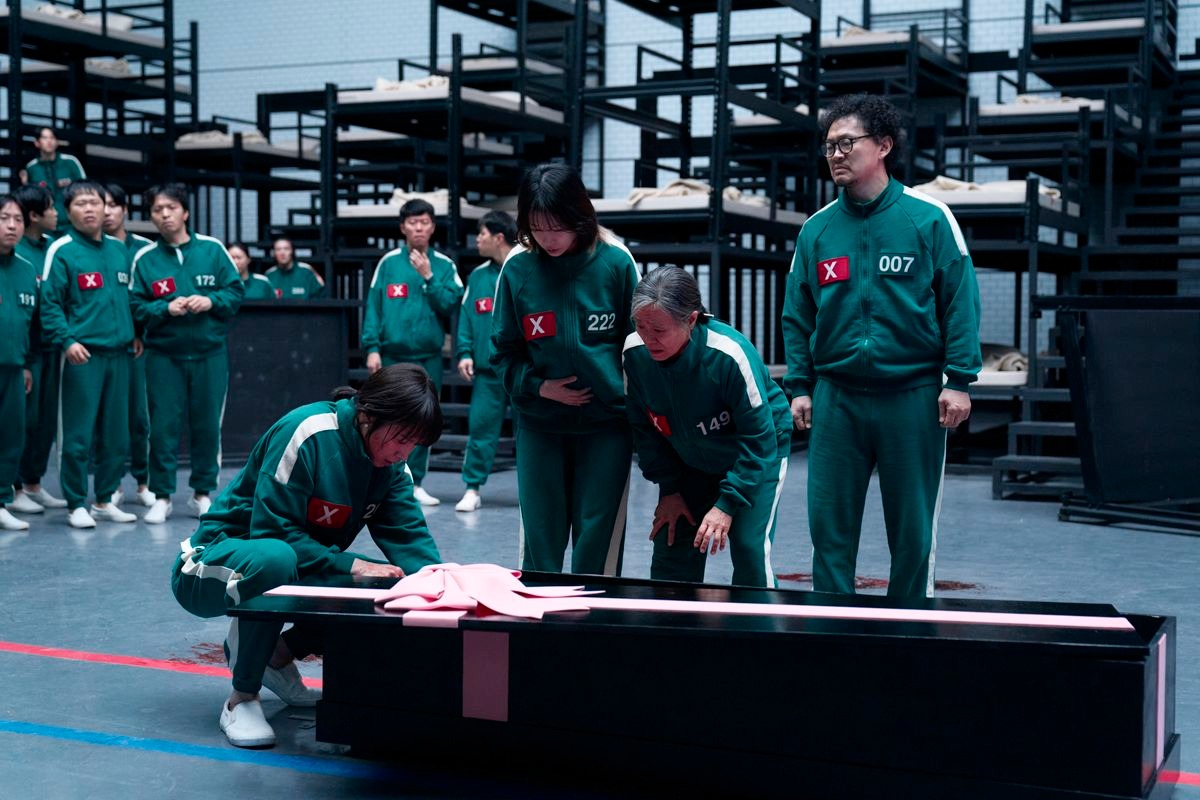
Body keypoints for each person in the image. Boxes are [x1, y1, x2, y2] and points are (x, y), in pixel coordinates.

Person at [170, 364, 444, 748]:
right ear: (368, 415)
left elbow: (411, 540)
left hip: (288, 564)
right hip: (209, 564)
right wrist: (348, 564)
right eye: (400, 438)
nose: (404, 452)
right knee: (277, 559)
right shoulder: (307, 432)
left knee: (392, 584)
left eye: (414, 443)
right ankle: (241, 698)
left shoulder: (393, 466)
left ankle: (277, 655)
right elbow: (272, 532)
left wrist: (444, 583)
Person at [781, 94, 981, 599]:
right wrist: (800, 386)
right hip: (837, 399)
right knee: (829, 531)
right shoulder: (817, 230)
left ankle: (908, 631)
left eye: (847, 143)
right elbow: (797, 315)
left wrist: (959, 380)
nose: (836, 154)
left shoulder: (928, 218)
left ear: (884, 145)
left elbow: (960, 301)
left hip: (912, 398)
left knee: (912, 534)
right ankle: (832, 630)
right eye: (829, 146)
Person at [490, 163, 639, 576]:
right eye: (537, 228)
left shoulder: (616, 261)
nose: (548, 239)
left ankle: (595, 613)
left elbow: (640, 348)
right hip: (540, 426)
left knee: (598, 537)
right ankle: (540, 613)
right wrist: (540, 387)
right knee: (541, 538)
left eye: (557, 227)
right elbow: (502, 354)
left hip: (607, 427)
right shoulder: (518, 267)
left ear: (579, 215)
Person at [623, 267, 792, 586]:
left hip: (754, 454)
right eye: (640, 326)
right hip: (690, 462)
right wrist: (670, 490)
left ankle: (759, 617)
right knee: (671, 541)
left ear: (691, 320)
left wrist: (726, 504)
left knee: (748, 547)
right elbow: (644, 430)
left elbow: (759, 438)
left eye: (658, 329)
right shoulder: (635, 355)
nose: (647, 338)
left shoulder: (729, 356)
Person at [130, 184, 244, 524]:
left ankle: (202, 494)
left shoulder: (212, 249)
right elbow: (135, 306)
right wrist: (165, 308)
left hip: (210, 354)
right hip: (164, 356)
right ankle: (162, 496)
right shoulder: (145, 259)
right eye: (157, 210)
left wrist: (211, 301)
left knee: (207, 426)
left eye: (171, 208)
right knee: (162, 428)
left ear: (185, 212)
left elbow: (235, 292)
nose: (165, 215)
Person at [39, 180, 139, 528]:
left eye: (95, 202)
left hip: (120, 355)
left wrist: (136, 334)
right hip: (82, 356)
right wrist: (67, 341)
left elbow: (129, 300)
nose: (90, 209)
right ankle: (75, 503)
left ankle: (104, 499)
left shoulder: (118, 250)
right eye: (80, 204)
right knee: (77, 435)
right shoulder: (63, 250)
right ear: (68, 211)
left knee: (116, 434)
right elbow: (50, 304)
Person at [361, 198, 464, 507]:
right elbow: (374, 308)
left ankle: (415, 482)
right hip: (393, 356)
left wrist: (429, 277)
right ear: (402, 227)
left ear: (432, 228)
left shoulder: (444, 265)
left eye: (424, 222)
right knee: (388, 417)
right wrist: (372, 348)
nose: (419, 227)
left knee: (422, 417)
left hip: (428, 358)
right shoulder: (388, 263)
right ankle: (382, 478)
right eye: (413, 222)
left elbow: (450, 305)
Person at [9, 185, 68, 514]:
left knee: (46, 423)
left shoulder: (54, 248)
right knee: (24, 421)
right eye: (50, 208)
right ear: (34, 215)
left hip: (51, 347)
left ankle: (33, 483)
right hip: (25, 353)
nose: (57, 213)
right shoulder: (16, 253)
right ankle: (14, 485)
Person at [454, 211, 516, 513]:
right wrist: (464, 352)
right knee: (480, 430)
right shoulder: (478, 276)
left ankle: (536, 494)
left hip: (522, 371)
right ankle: (472, 488)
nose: (477, 240)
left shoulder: (526, 267)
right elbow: (466, 317)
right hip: (488, 373)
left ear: (498, 237)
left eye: (482, 234)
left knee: (532, 434)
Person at [103, 184, 156, 510]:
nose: (107, 211)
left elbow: (145, 298)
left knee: (140, 418)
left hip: (139, 347)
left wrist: (139, 332)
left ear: (124, 210)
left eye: (113, 205)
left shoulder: (144, 249)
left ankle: (144, 482)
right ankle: (110, 485)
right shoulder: (96, 248)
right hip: (105, 347)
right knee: (109, 423)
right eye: (103, 204)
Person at [0, 195, 38, 531]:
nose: (11, 226)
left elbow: (30, 325)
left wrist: (26, 364)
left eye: (18, 220)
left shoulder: (26, 270)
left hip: (13, 368)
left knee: (11, 437)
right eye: (3, 218)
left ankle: (1, 501)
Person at [21, 127, 86, 232]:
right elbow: (30, 200)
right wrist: (25, 184)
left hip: (72, 226)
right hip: (45, 228)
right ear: (37, 143)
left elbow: (85, 191)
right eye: (45, 138)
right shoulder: (31, 168)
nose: (49, 141)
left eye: (52, 138)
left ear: (57, 142)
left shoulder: (71, 162)